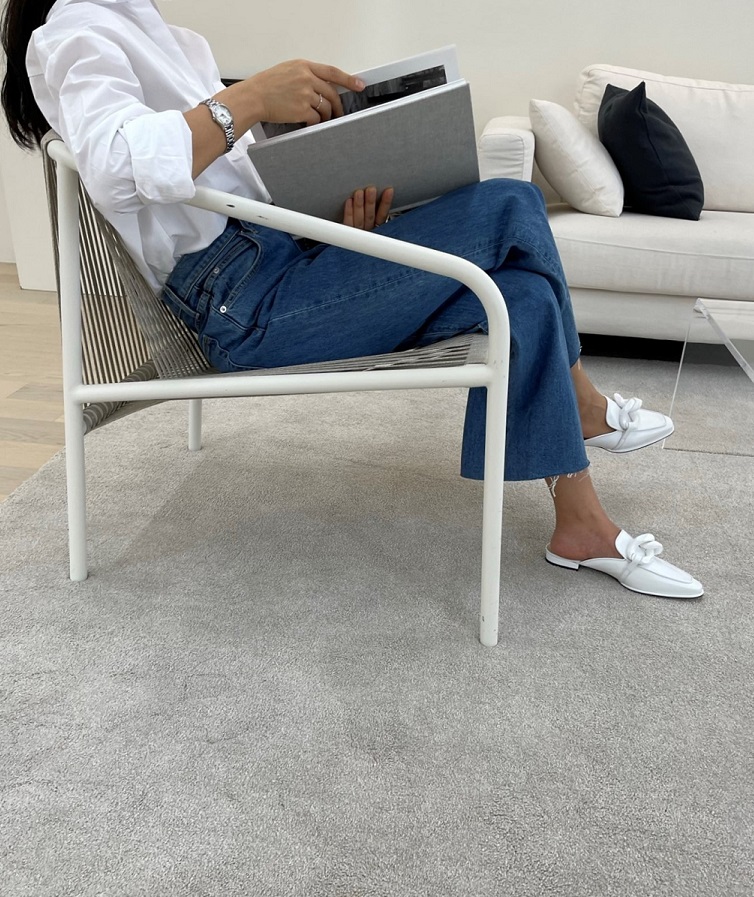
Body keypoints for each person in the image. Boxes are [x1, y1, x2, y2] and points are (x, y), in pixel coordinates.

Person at [1, 0, 703, 599]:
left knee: (519, 294)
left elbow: (230, 190)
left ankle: (580, 524)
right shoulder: (72, 33)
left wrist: (331, 223)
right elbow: (115, 167)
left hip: (281, 262)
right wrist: (250, 98)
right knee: (512, 204)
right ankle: (583, 405)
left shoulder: (163, 32)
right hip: (243, 308)